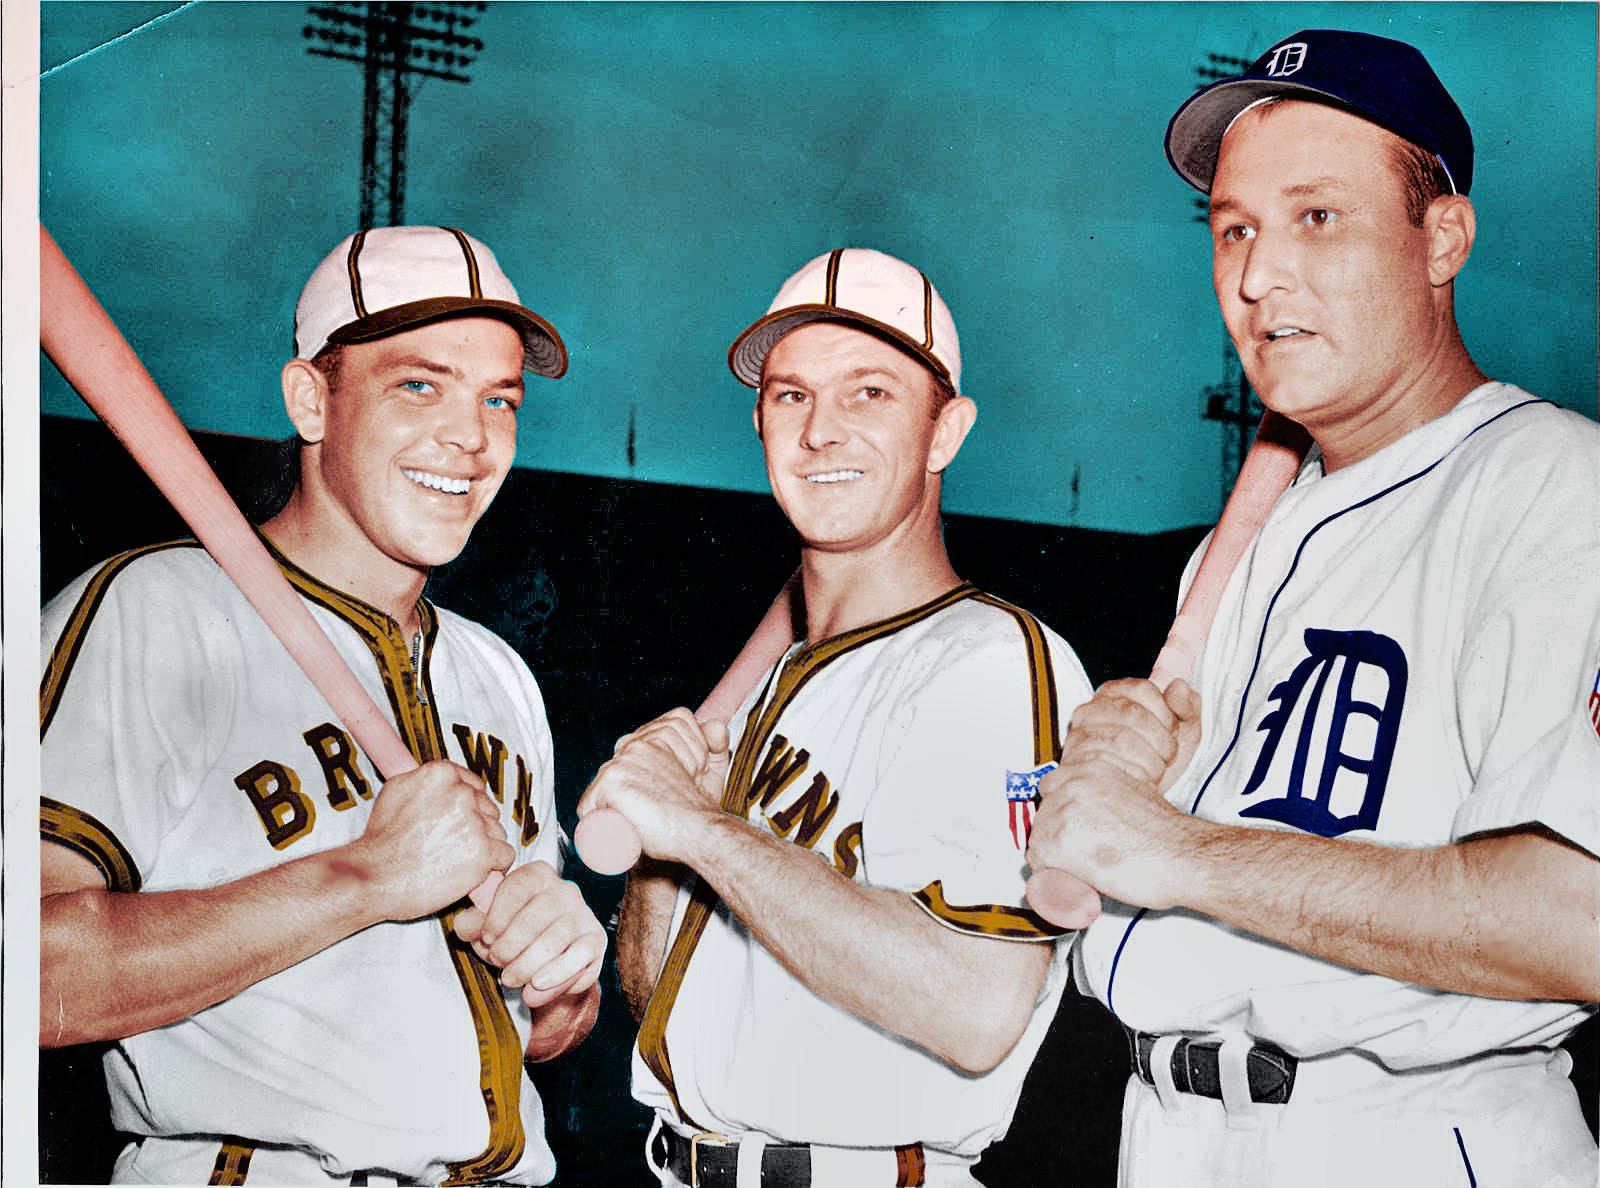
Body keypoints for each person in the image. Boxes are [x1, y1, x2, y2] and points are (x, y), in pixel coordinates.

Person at [1025, 28, 1600, 1188]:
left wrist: (1171, 848)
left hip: (1405, 1136)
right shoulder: (1230, 554)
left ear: (1442, 238)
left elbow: (1572, 920)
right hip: (1163, 1131)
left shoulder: (1552, 484)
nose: (1257, 277)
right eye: (1234, 229)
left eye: (1318, 217)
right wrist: (1121, 781)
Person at [39, 225, 607, 1185]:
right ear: (312, 400)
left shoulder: (499, 673)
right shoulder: (159, 610)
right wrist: (363, 876)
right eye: (418, 385)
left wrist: (561, 990)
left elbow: (534, 1033)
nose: (471, 438)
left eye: (499, 399)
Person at [578, 248, 1095, 1187]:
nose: (821, 432)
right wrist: (662, 857)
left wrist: (704, 832)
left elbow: (978, 1009)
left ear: (945, 433)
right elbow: (658, 1002)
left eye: (870, 394)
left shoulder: (987, 663)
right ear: (760, 423)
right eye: (791, 396)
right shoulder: (775, 684)